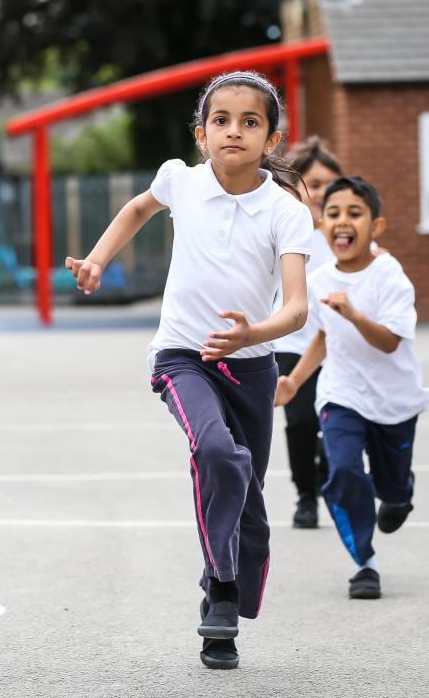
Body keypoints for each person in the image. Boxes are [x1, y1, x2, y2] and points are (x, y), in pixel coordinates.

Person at [65, 71, 313, 670]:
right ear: (202, 134)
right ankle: (220, 585)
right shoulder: (181, 180)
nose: (234, 131)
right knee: (217, 454)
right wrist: (98, 261)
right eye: (221, 121)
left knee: (247, 495)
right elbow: (135, 209)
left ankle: (224, 603)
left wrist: (254, 333)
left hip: (251, 365)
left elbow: (298, 307)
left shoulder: (285, 211)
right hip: (183, 356)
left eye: (250, 122)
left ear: (272, 140)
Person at [275, 177, 425, 601]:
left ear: (375, 227)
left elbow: (390, 341)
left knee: (391, 489)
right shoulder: (320, 279)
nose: (342, 221)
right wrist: (294, 381)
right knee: (341, 469)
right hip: (342, 394)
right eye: (334, 213)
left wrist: (354, 314)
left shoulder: (390, 276)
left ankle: (399, 495)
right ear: (323, 226)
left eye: (355, 213)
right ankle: (365, 563)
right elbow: (324, 338)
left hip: (394, 401)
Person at [272, 137, 342, 528]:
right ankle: (305, 495)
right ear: (296, 187)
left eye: (330, 184)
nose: (322, 193)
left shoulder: (347, 234)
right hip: (291, 344)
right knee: (300, 421)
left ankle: (327, 475)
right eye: (314, 184)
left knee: (334, 421)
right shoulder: (283, 228)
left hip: (336, 347)